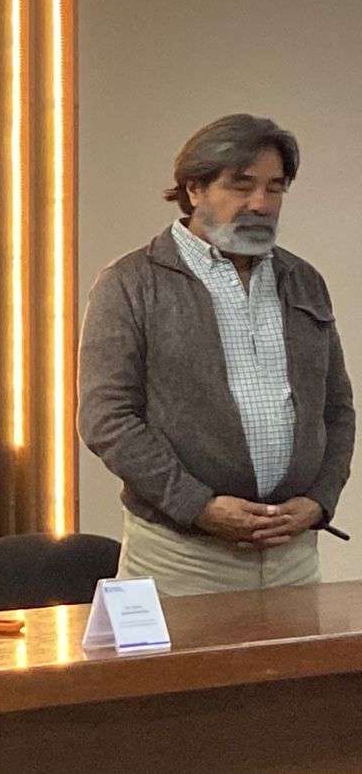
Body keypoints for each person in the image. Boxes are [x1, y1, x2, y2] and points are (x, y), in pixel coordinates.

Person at [79, 114, 353, 595]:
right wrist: (198, 505)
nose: (260, 204)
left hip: (292, 557)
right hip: (183, 558)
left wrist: (319, 499)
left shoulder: (303, 280)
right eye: (241, 185)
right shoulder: (131, 283)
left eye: (274, 188)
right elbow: (107, 419)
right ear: (195, 189)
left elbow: (337, 410)